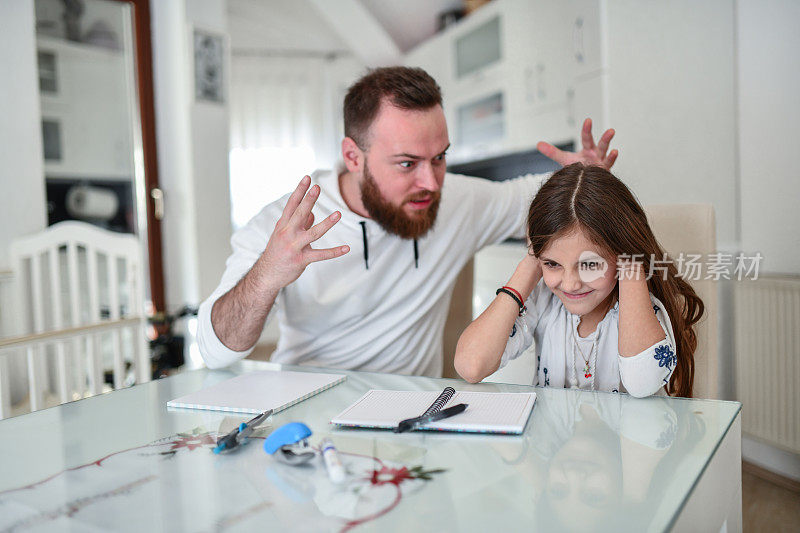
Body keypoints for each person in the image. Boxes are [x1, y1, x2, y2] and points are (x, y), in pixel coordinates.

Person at [197, 66, 618, 376]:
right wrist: (267, 275)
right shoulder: (284, 225)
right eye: (406, 163)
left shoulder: (457, 200)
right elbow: (217, 351)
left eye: (439, 158)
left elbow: (546, 200)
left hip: (412, 415)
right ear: (352, 156)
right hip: (312, 414)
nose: (430, 182)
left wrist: (585, 177)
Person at [454, 163, 704, 397]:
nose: (571, 284)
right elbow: (470, 365)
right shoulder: (543, 300)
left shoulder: (641, 307)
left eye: (590, 264)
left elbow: (643, 383)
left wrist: (631, 264)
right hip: (551, 443)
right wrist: (530, 264)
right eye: (552, 264)